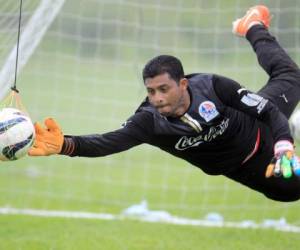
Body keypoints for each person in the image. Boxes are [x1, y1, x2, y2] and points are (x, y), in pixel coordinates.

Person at [29, 5, 300, 202]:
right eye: (150, 91)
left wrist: (283, 146)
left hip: (257, 128)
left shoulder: (213, 86)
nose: (157, 98)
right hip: (238, 167)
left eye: (163, 89)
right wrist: (65, 145)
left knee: (290, 77)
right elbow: (108, 142)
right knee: (290, 193)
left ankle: (252, 25)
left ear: (183, 83)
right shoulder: (149, 121)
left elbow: (268, 111)